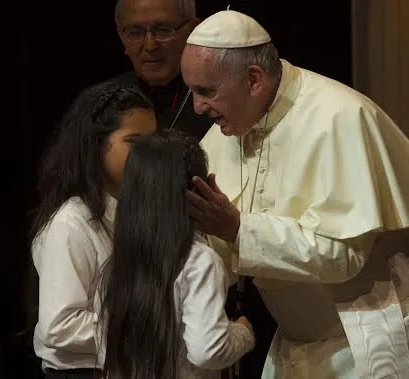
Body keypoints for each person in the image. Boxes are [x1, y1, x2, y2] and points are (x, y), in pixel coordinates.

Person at [182, 9, 409, 379]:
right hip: (292, 346)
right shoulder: (228, 131)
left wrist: (239, 229)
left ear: (254, 80)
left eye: (206, 91)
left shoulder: (341, 117)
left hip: (365, 339)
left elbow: (342, 256)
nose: (197, 107)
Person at [95, 130, 255, 379]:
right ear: (198, 192)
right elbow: (207, 351)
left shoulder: (116, 262)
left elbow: (105, 347)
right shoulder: (199, 261)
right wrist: (242, 333)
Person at [30, 82, 156, 378]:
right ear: (98, 144)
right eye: (135, 143)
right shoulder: (71, 222)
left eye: (154, 144)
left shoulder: (129, 209)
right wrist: (147, 326)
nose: (150, 155)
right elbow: (59, 326)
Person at [109, 0, 211, 140]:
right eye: (135, 32)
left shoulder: (219, 106)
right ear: (122, 36)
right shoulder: (102, 107)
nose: (150, 46)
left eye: (163, 30)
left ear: (193, 30)